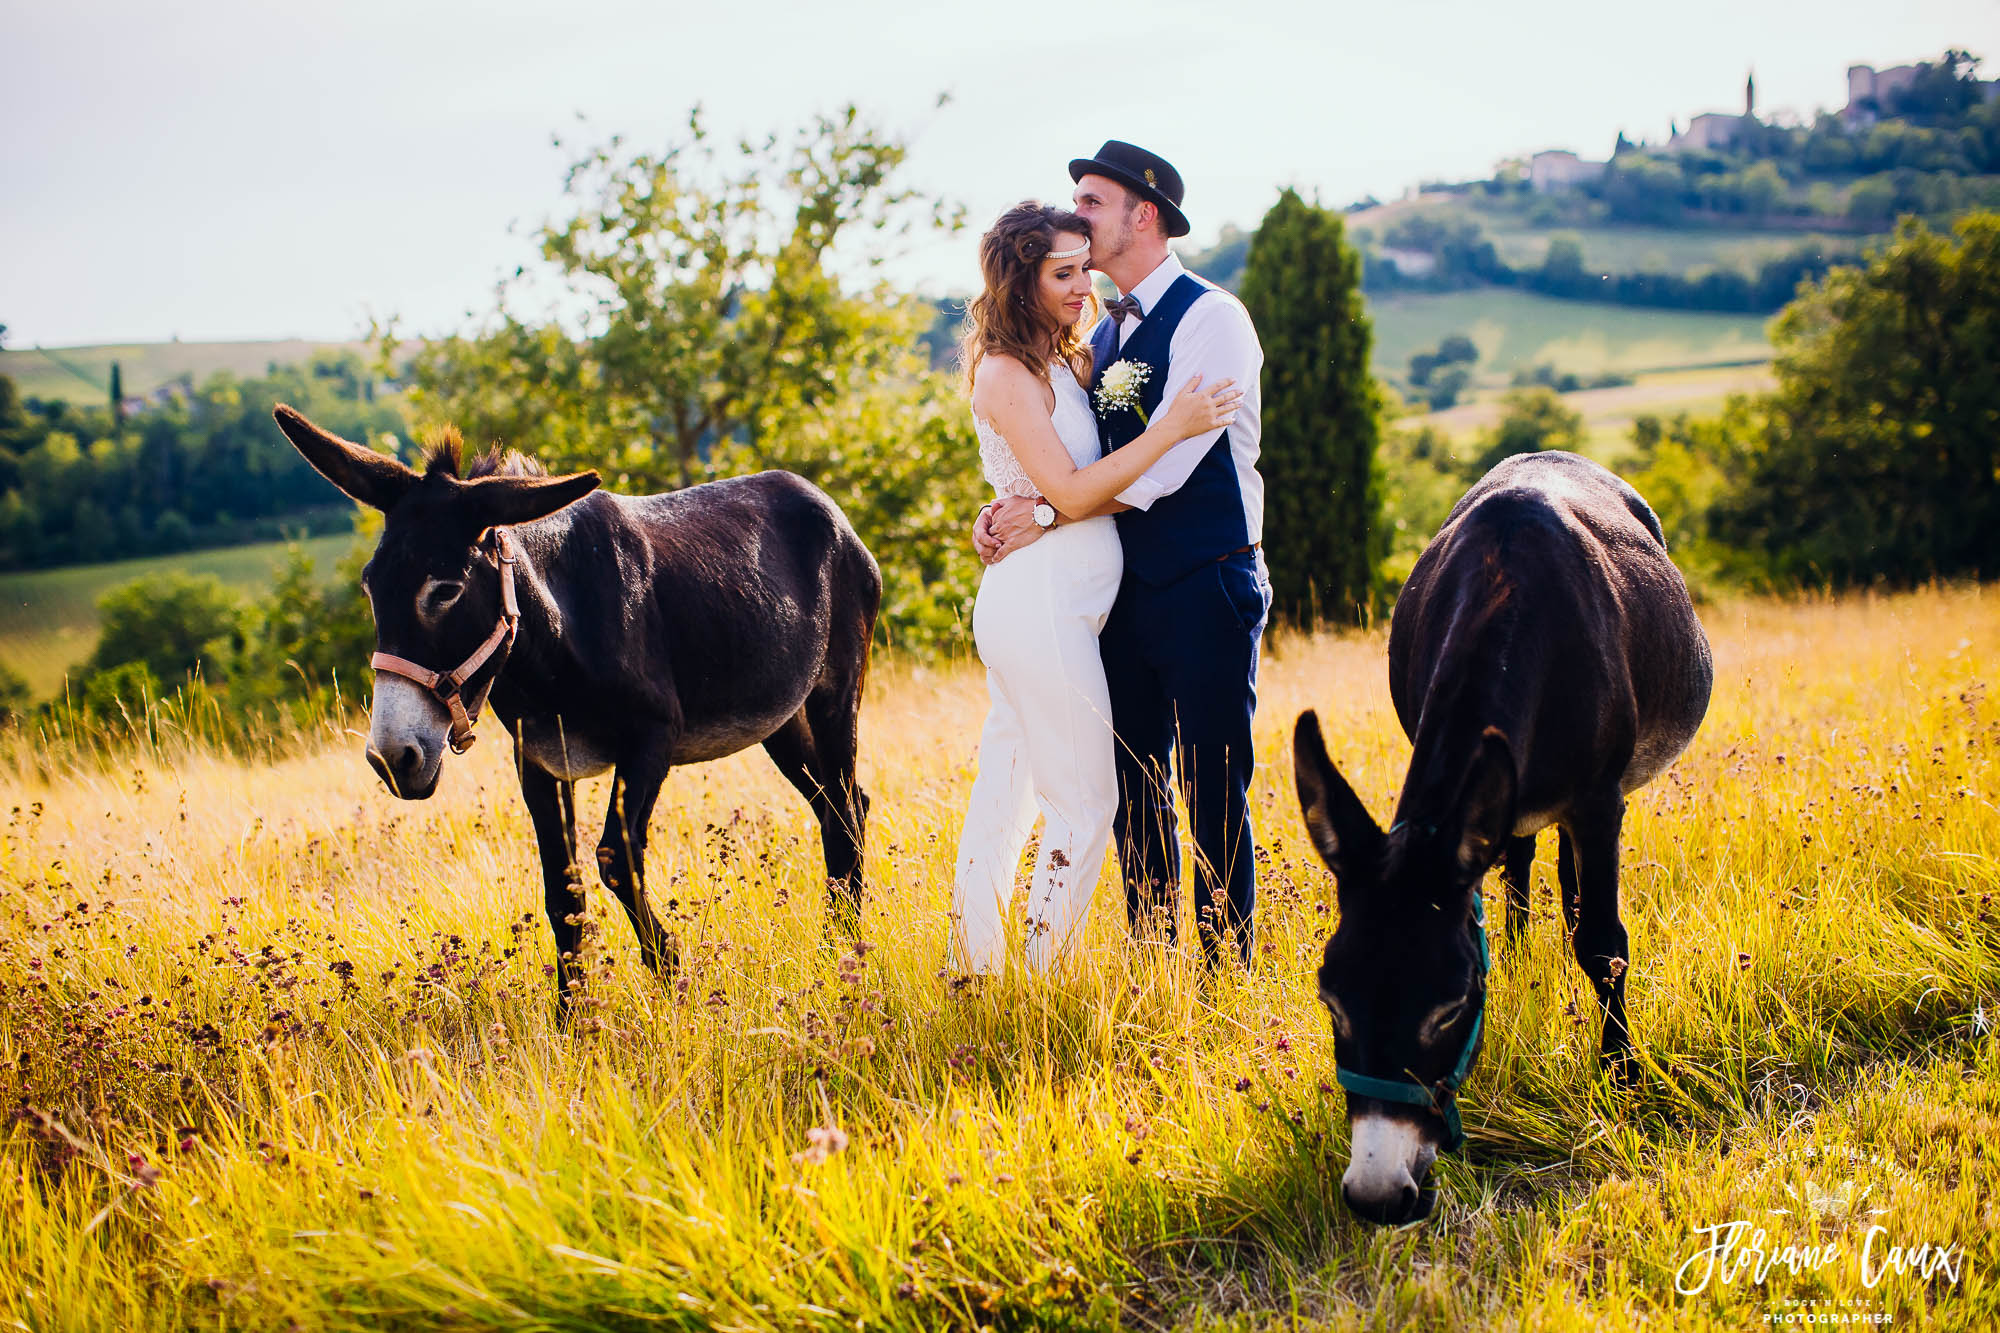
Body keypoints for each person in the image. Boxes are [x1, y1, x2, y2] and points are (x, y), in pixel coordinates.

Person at [976, 142, 1270, 970]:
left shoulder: (1214, 318)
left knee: (1215, 785)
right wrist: (1027, 503)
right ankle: (1149, 962)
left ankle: (1223, 974)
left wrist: (1043, 509)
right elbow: (1075, 453)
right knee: (1135, 784)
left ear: (1144, 215)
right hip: (1119, 596)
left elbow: (1168, 470)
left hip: (1208, 576)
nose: (1079, 213)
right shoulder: (1097, 333)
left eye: (1093, 200)